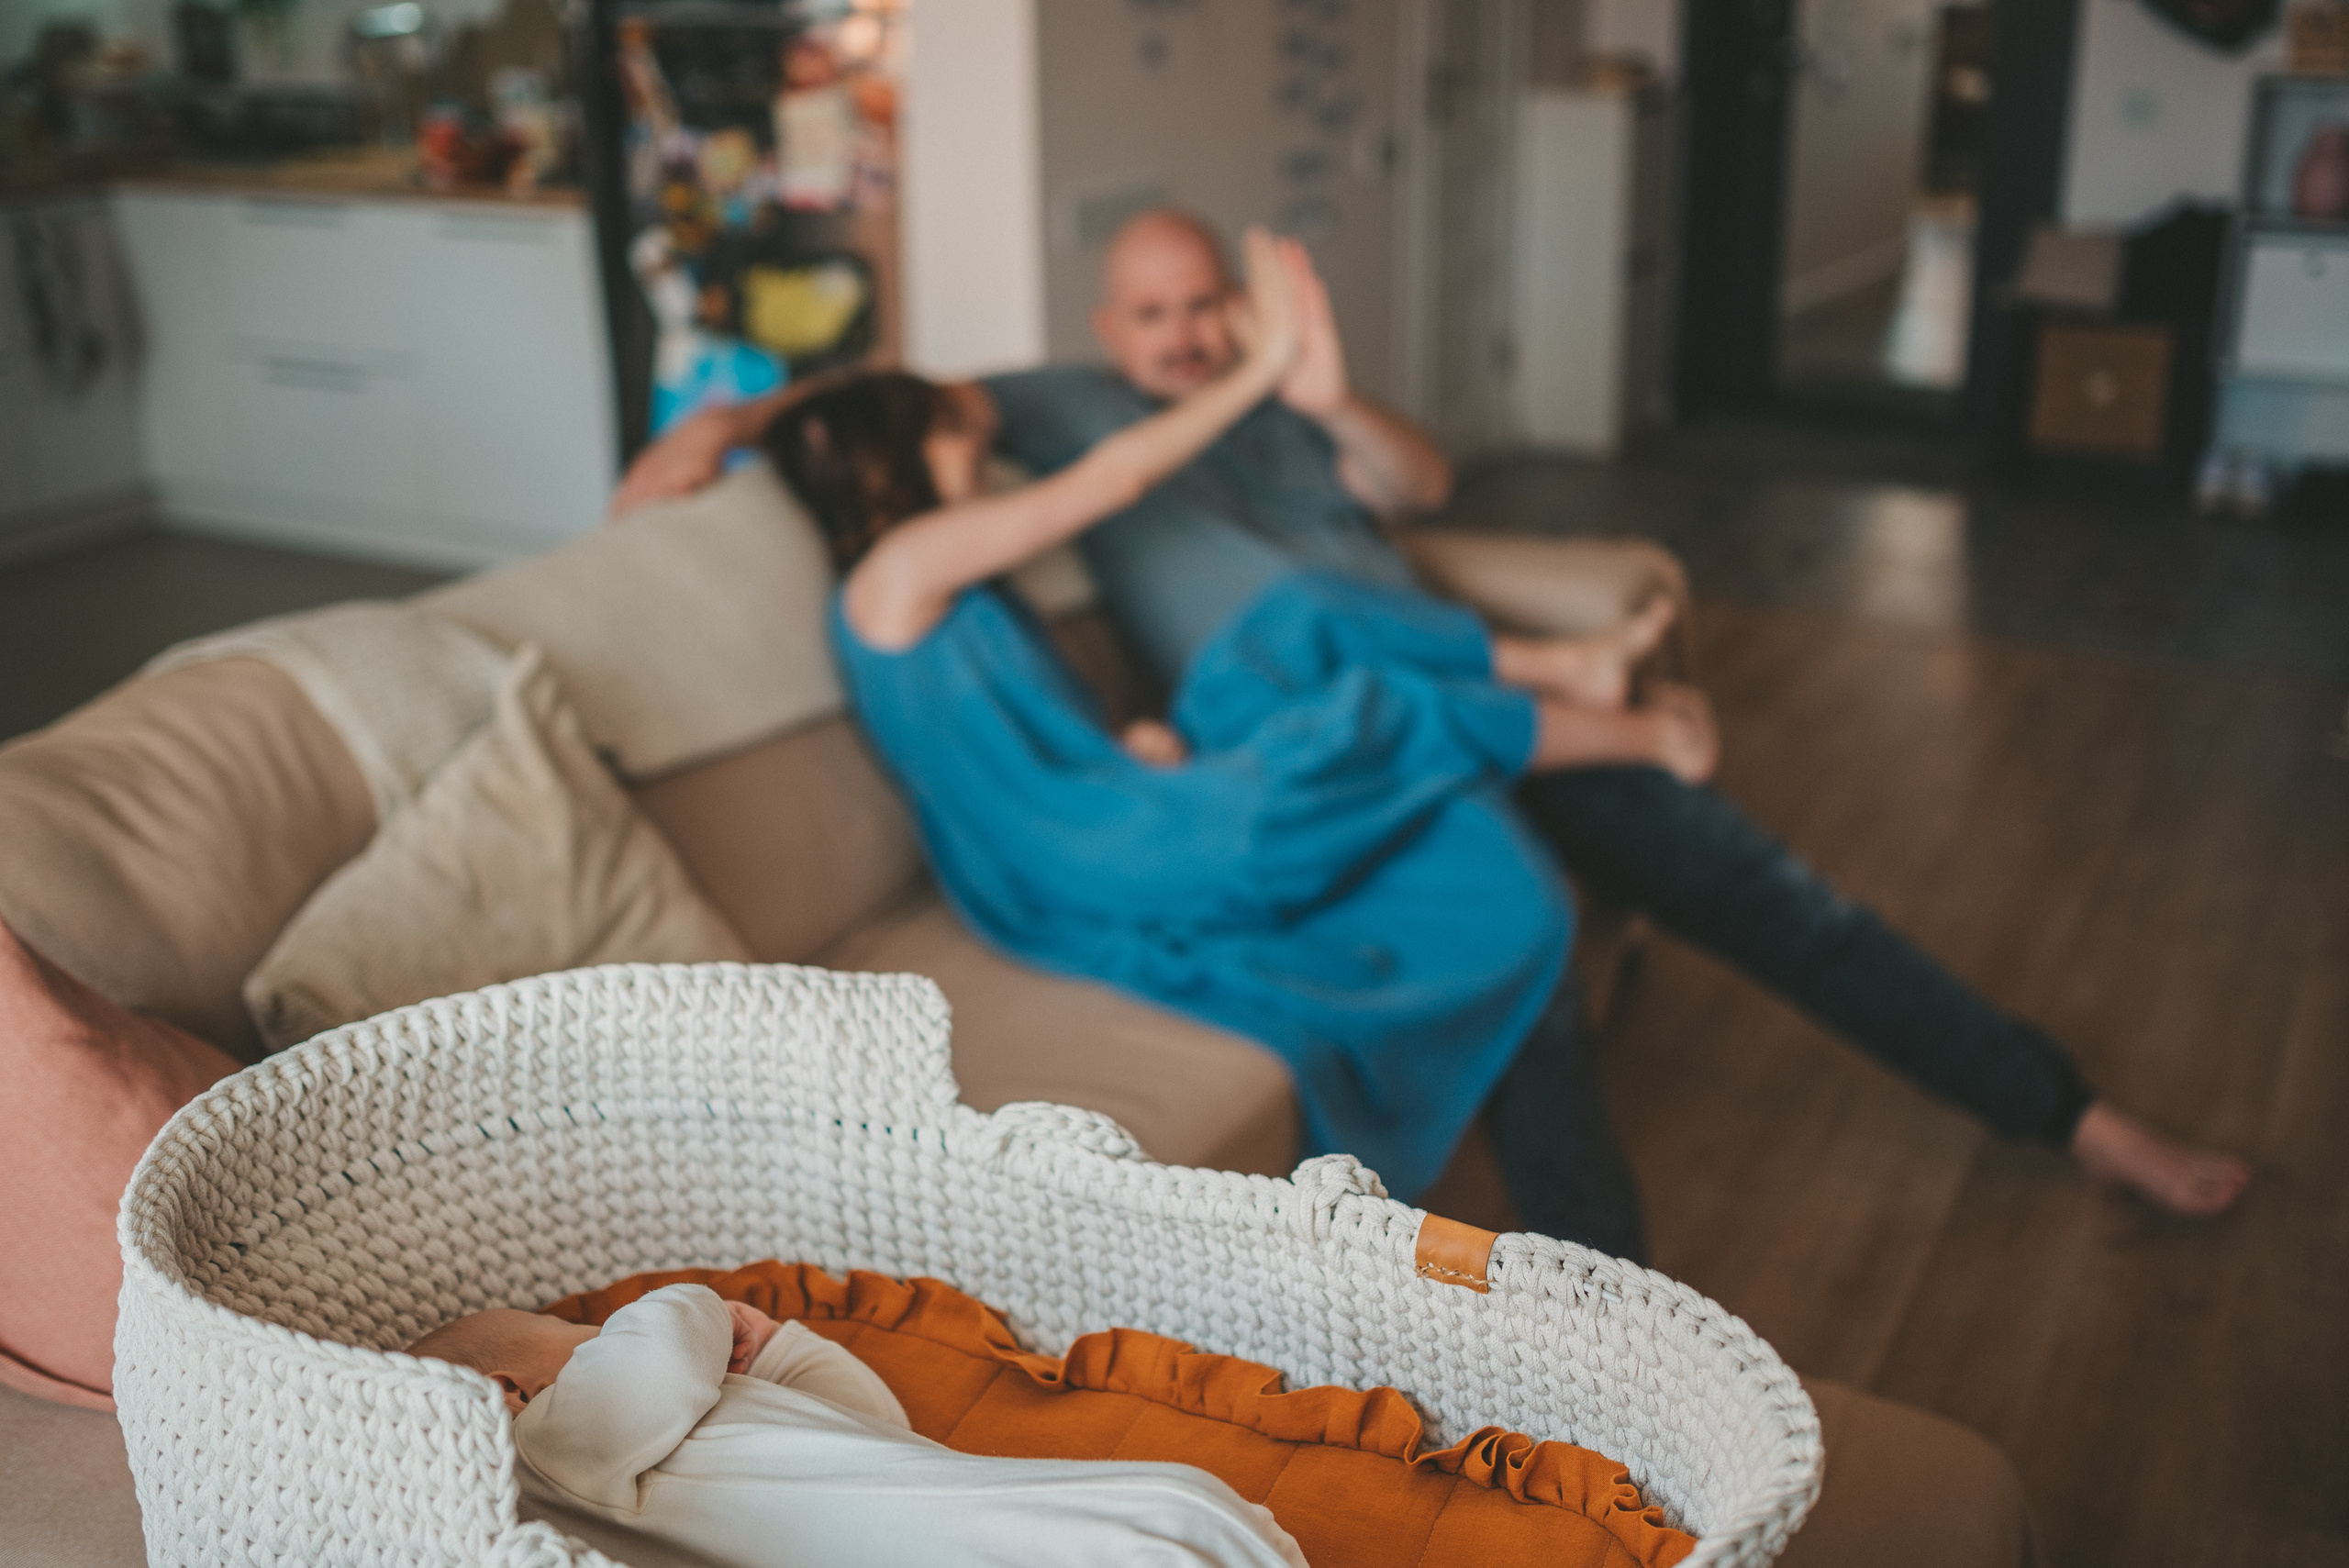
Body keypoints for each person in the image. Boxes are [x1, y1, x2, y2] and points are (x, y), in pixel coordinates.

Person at [614, 212, 2249, 1248]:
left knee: (1774, 898)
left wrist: (1311, 388)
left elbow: (1423, 484)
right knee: (1490, 895)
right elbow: (884, 419)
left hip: (1422, 704)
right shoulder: (1050, 413)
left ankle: (2065, 1109)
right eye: (1156, 312)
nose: (1187, 331)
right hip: (1357, 730)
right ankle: (1597, 1265)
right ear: (1102, 334)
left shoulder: (1282, 413)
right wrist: (719, 427)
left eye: (1208, 306)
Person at [797, 231, 1682, 1229]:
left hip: (1115, 810)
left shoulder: (942, 586)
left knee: (1315, 642)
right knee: (1380, 721)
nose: (974, 450)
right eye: (947, 436)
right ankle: (1642, 733)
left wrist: (1120, 748)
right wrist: (1260, 365)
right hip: (1105, 851)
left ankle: (1584, 691)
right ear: (887, 460)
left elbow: (1010, 751)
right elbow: (1111, 478)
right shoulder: (898, 571)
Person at [407, 1284, 1308, 1568]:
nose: (604, 1338)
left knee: (1187, 1518)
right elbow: (661, 1331)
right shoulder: (553, 1444)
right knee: (1173, 1525)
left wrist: (780, 1349)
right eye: (581, 1334)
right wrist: (705, 1307)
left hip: (984, 1516)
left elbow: (876, 1424)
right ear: (505, 1389)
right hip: (1009, 1540)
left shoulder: (645, 1432)